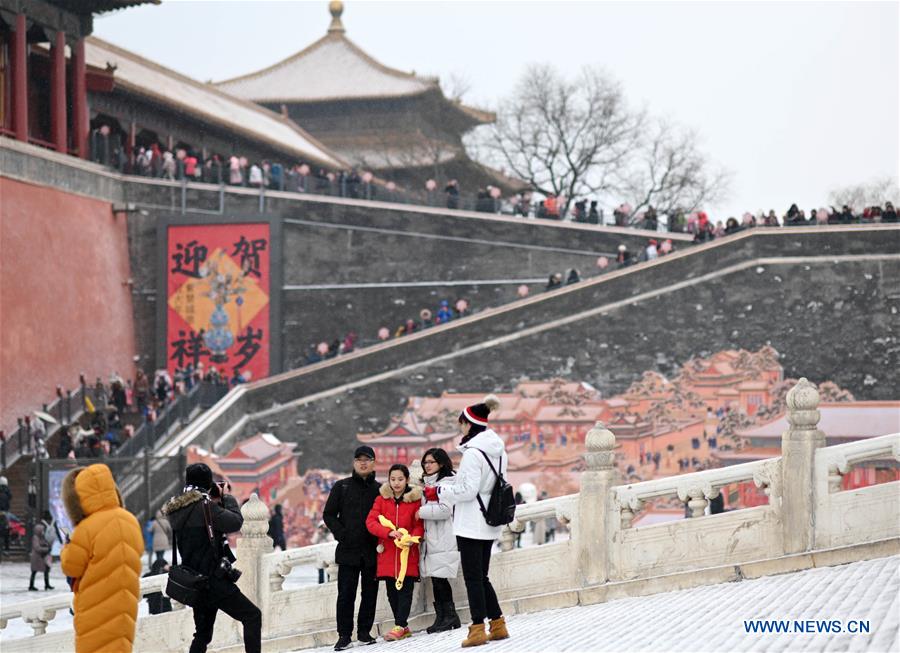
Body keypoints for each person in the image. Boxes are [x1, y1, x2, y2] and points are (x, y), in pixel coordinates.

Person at [424, 395, 511, 647]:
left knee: (473, 578)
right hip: (490, 520)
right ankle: (497, 624)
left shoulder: (474, 453)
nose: (459, 427)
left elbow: (467, 491)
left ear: (469, 424)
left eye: (461, 423)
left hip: (472, 521)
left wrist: (438, 491)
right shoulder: (498, 451)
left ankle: (476, 629)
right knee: (482, 576)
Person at [163, 463, 261, 653]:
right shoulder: (205, 507)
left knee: (202, 634)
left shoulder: (177, 510)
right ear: (207, 482)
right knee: (252, 616)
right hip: (214, 581)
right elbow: (235, 522)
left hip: (194, 581)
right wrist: (227, 498)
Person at [61, 464, 144, 653]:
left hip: (95, 608)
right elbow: (137, 552)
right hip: (125, 605)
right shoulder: (129, 520)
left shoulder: (86, 529)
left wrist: (67, 546)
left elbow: (71, 567)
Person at [322, 446, 381, 651]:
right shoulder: (342, 487)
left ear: (374, 462)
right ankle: (344, 635)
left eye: (367, 459)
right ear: (354, 463)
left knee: (370, 593)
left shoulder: (380, 490)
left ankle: (364, 632)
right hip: (348, 550)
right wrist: (342, 534)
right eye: (359, 459)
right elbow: (328, 514)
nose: (363, 463)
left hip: (372, 550)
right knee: (346, 594)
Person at [365, 464, 424, 642]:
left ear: (407, 480)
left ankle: (399, 625)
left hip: (407, 553)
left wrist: (412, 538)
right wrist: (388, 533)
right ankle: (403, 627)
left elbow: (419, 526)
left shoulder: (415, 501)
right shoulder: (381, 500)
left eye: (400, 479)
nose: (396, 483)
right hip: (388, 553)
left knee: (406, 590)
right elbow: (371, 522)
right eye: (393, 479)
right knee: (392, 592)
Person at [418, 448, 462, 633]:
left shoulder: (447, 483)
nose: (427, 465)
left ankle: (450, 616)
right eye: (425, 462)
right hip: (432, 540)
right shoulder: (428, 484)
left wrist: (420, 512)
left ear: (441, 463)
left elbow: (446, 509)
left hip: (444, 538)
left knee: (440, 580)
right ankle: (443, 616)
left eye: (431, 462)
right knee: (437, 580)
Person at [29, 522, 53, 591]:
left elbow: (46, 544)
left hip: (42, 557)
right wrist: (46, 549)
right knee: (34, 572)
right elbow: (37, 548)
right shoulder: (35, 538)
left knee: (46, 570)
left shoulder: (42, 537)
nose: (43, 532)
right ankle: (31, 586)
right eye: (42, 530)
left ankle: (47, 585)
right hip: (37, 558)